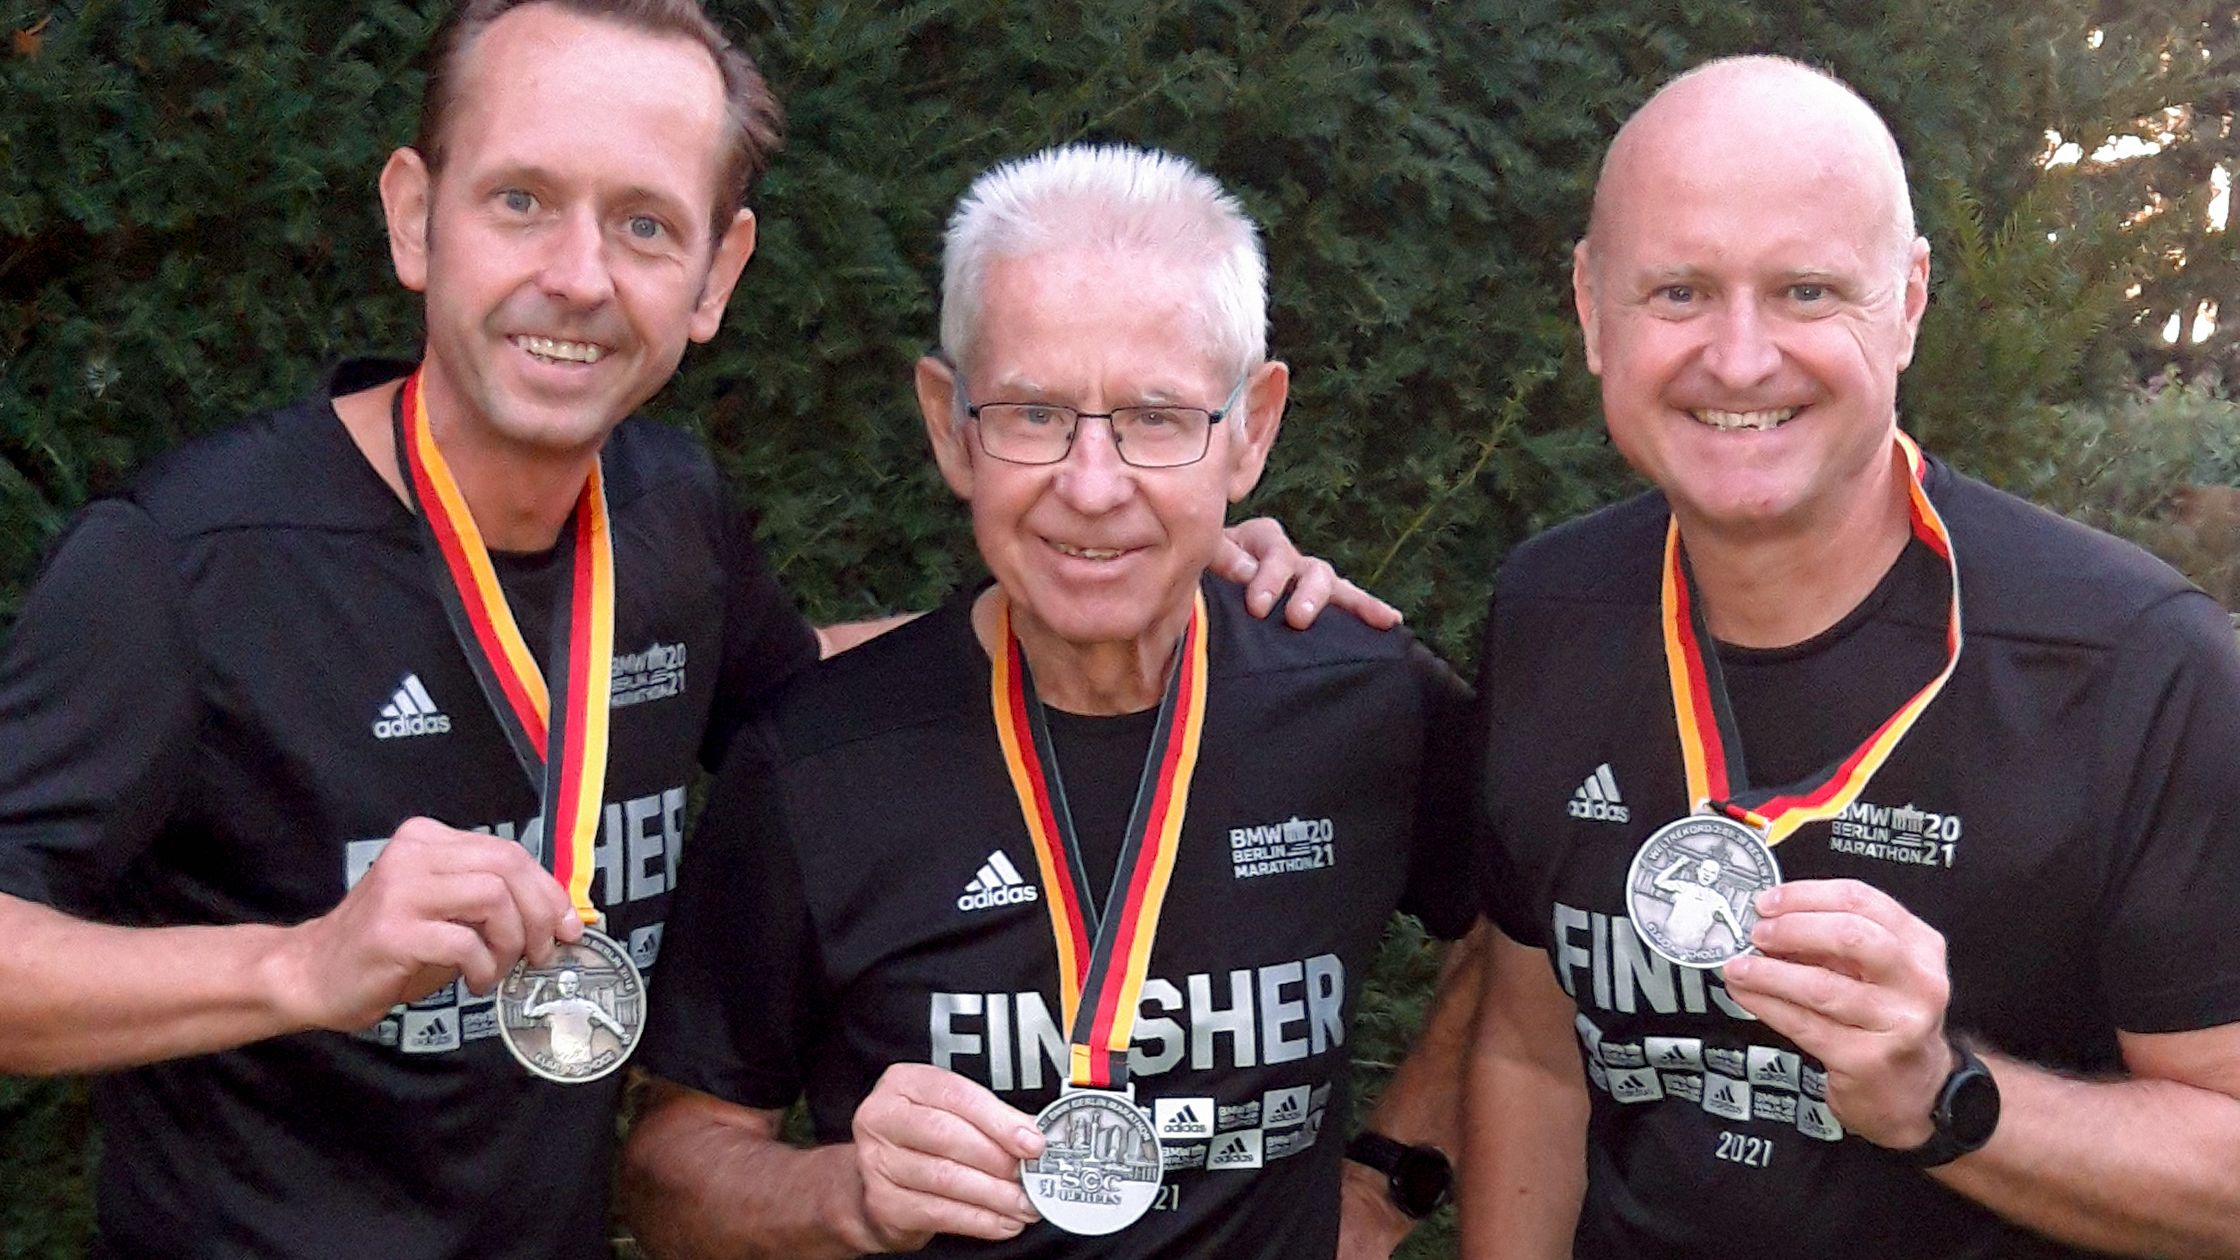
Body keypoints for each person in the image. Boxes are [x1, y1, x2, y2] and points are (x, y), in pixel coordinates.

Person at [0, 4, 1373, 1257]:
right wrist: (295, 964)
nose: (581, 276)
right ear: (416, 219)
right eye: (522, 201)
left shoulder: (668, 518)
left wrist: (1152, 567)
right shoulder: (188, 565)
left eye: (646, 225)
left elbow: (826, 699)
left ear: (717, 275)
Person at [619, 142, 1481, 1260]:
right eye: (1031, 413)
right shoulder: (816, 762)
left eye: (1157, 418)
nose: (1090, 486)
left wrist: (1380, 1188)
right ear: (949, 421)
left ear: (1252, 428)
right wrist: (853, 1197)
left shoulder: (1366, 700)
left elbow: (1519, 934)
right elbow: (669, 1168)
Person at [1462, 55, 2240, 1260]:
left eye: (1806, 291)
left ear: (1911, 300)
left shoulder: (2134, 665)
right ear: (1586, 307)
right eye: (1674, 292)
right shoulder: (1546, 609)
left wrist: (1945, 1100)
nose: (1736, 357)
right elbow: (1529, 1048)